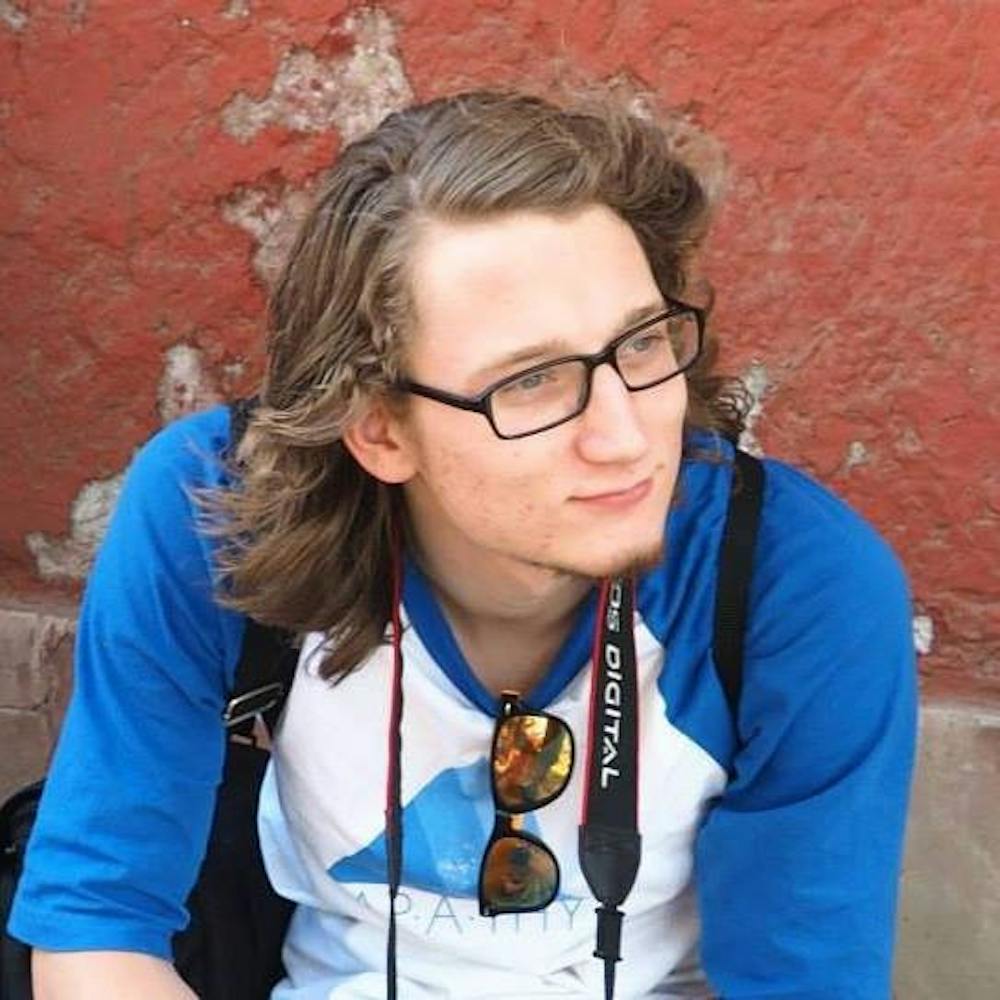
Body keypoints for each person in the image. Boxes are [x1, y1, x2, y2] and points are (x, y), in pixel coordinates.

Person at [9, 90, 917, 998]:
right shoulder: (220, 508)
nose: (625, 437)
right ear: (379, 429)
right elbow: (98, 926)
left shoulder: (794, 581)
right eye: (531, 382)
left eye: (641, 345)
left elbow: (807, 980)